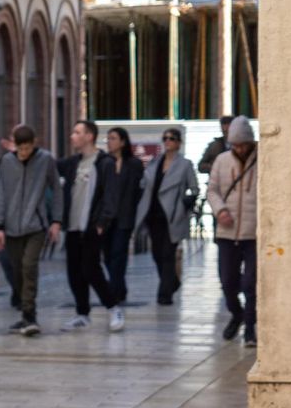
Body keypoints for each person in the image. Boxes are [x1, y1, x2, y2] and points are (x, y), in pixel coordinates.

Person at [0, 124, 61, 336]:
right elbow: (0, 194)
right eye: (21, 149)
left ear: (34, 144)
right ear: (15, 145)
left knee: (29, 266)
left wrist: (56, 221)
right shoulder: (6, 162)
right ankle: (24, 314)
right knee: (17, 270)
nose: (24, 153)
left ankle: (30, 316)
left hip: (36, 226)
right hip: (11, 228)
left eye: (28, 148)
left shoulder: (45, 160)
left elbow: (57, 189)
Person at [57, 119, 124, 331]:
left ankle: (113, 307)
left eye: (77, 132)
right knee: (73, 271)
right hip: (73, 226)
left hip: (92, 226)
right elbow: (49, 164)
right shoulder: (72, 163)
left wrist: (103, 222)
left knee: (91, 269)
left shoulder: (104, 163)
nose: (72, 136)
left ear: (89, 136)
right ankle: (82, 313)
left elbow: (111, 196)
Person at [206, 116, 259, 346]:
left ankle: (249, 328)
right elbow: (212, 190)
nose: (239, 148)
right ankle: (236, 315)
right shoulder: (221, 160)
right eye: (235, 144)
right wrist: (221, 211)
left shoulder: (263, 160)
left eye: (243, 144)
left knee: (250, 284)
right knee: (228, 282)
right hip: (227, 233)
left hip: (254, 233)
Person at [135, 127, 198, 306]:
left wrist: (185, 203)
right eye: (165, 138)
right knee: (156, 254)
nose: (167, 142)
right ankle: (173, 282)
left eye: (171, 138)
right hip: (153, 213)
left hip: (172, 215)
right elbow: (145, 183)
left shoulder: (185, 164)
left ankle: (164, 295)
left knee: (167, 254)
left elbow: (194, 188)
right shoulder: (155, 162)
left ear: (178, 142)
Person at [103, 127, 145, 306]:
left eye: (113, 138)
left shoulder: (134, 164)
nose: (109, 142)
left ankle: (113, 292)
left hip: (125, 216)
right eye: (108, 138)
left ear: (122, 141)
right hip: (106, 218)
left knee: (118, 253)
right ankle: (120, 288)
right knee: (107, 256)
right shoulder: (104, 162)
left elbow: (139, 191)